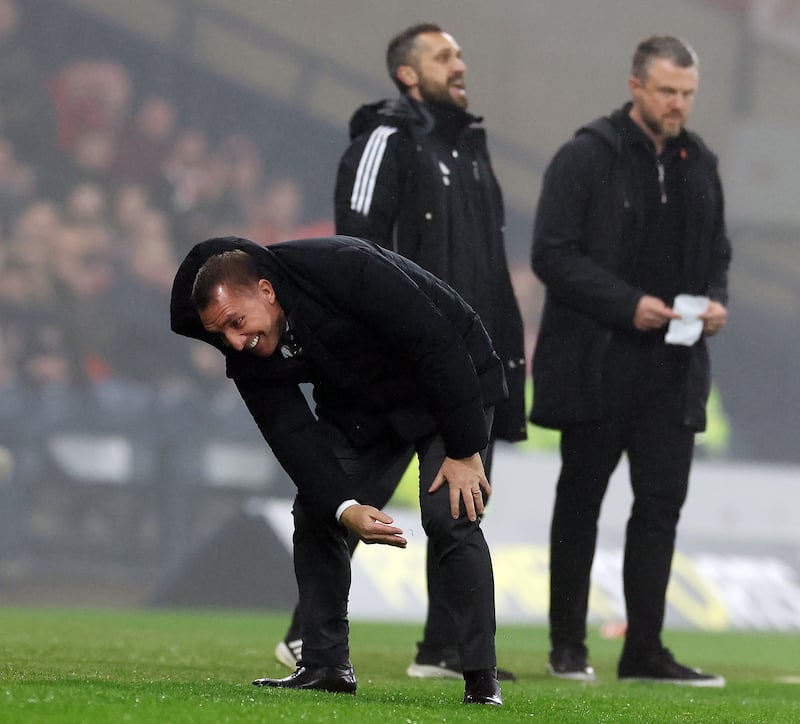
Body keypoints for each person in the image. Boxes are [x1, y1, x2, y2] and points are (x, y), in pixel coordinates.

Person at [273, 21, 523, 683]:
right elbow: (357, 249)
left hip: (460, 365)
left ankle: (444, 649)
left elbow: (489, 269)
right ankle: (308, 639)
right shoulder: (387, 139)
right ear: (408, 74)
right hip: (391, 368)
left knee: (457, 508)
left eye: (460, 53)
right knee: (347, 501)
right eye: (444, 55)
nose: (459, 63)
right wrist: (375, 349)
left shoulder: (469, 148)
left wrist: (508, 363)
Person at [170, 234, 505, 706]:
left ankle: (480, 679)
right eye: (220, 335)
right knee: (316, 510)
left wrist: (466, 449)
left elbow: (436, 344)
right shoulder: (244, 352)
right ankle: (325, 664)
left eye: (236, 323)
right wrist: (345, 507)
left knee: (450, 514)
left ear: (267, 290)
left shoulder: (345, 268)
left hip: (448, 382)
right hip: (362, 406)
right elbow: (291, 434)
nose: (234, 342)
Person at [530, 35, 731, 686]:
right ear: (636, 86)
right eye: (668, 92)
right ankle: (568, 645)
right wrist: (628, 305)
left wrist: (717, 302)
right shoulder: (585, 156)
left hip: (671, 372)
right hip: (599, 363)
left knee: (659, 510)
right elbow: (551, 255)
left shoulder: (700, 163)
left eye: (688, 94)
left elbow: (718, 254)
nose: (678, 105)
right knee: (580, 504)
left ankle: (644, 649)